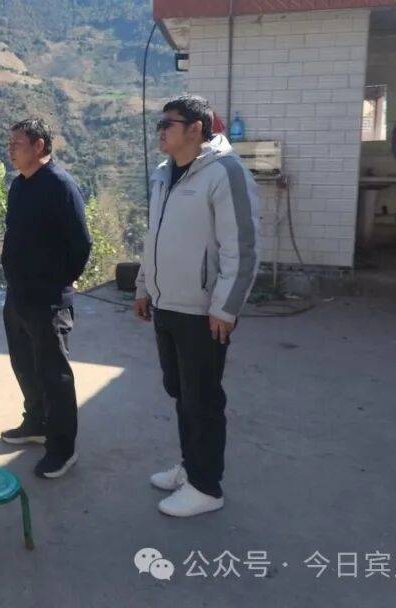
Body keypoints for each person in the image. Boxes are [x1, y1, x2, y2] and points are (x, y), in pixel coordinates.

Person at [134, 94, 260, 518]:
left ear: (196, 128)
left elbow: (241, 248)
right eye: (159, 123)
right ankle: (191, 467)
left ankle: (207, 487)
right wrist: (143, 286)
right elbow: (153, 237)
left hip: (203, 312)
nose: (160, 131)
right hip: (166, 304)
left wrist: (225, 308)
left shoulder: (225, 173)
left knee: (202, 399)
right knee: (181, 392)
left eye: (168, 124)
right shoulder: (163, 174)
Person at [0, 118, 92, 479]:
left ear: (39, 146)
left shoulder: (59, 185)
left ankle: (62, 449)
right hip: (18, 294)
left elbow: (81, 243)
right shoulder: (20, 185)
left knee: (55, 375)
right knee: (24, 363)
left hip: (48, 298)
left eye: (17, 144)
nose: (10, 150)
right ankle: (36, 422)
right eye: (10, 144)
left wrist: (60, 281)